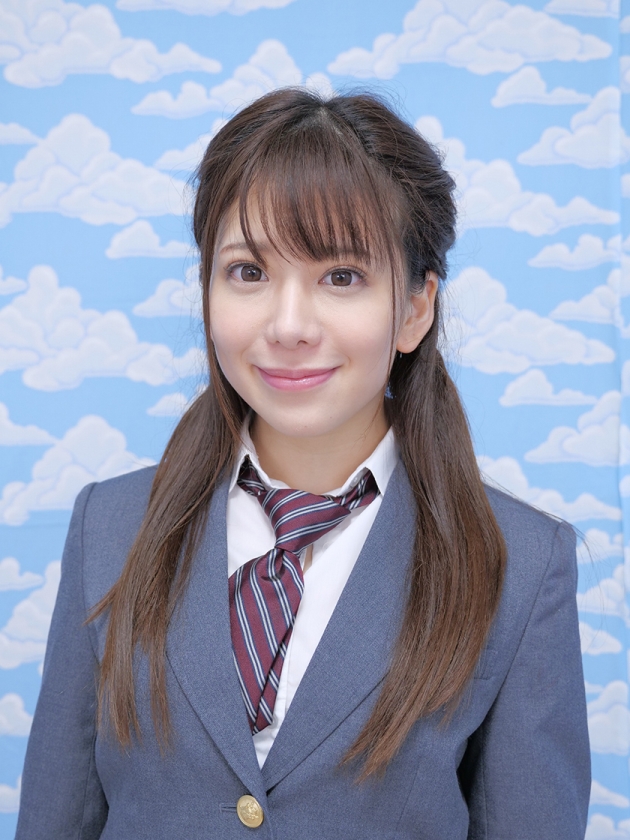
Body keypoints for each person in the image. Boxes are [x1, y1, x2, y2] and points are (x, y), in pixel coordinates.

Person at [15, 88, 590, 840]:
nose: (288, 326)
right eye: (248, 273)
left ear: (416, 308)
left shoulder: (519, 565)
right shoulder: (109, 528)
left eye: (341, 276)